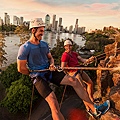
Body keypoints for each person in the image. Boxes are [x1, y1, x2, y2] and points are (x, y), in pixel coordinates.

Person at [17, 18, 109, 120]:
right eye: (40, 31)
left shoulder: (44, 45)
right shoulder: (25, 48)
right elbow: (21, 68)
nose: (42, 34)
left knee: (74, 81)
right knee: (54, 103)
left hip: (49, 71)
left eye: (43, 31)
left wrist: (52, 64)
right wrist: (32, 72)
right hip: (38, 77)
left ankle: (95, 110)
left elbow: (50, 58)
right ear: (33, 30)